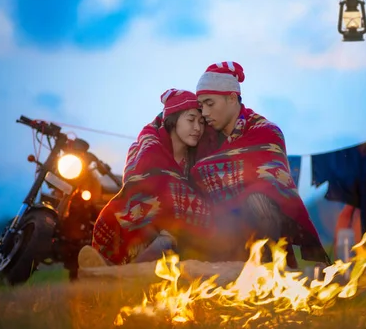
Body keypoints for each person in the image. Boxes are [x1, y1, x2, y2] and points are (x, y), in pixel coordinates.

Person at [190, 61, 331, 266]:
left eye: (210, 104)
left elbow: (267, 181)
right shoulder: (205, 136)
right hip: (218, 227)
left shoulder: (265, 131)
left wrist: (201, 170)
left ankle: (268, 275)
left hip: (260, 222)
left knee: (259, 198)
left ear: (231, 98)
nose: (204, 113)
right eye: (201, 106)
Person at [79, 89, 211, 268]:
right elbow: (135, 191)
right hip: (143, 224)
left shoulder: (199, 159)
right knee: (120, 215)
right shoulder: (146, 150)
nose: (197, 128)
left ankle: (121, 274)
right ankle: (115, 268)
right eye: (191, 120)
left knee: (171, 235)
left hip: (182, 231)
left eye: (201, 122)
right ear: (172, 121)